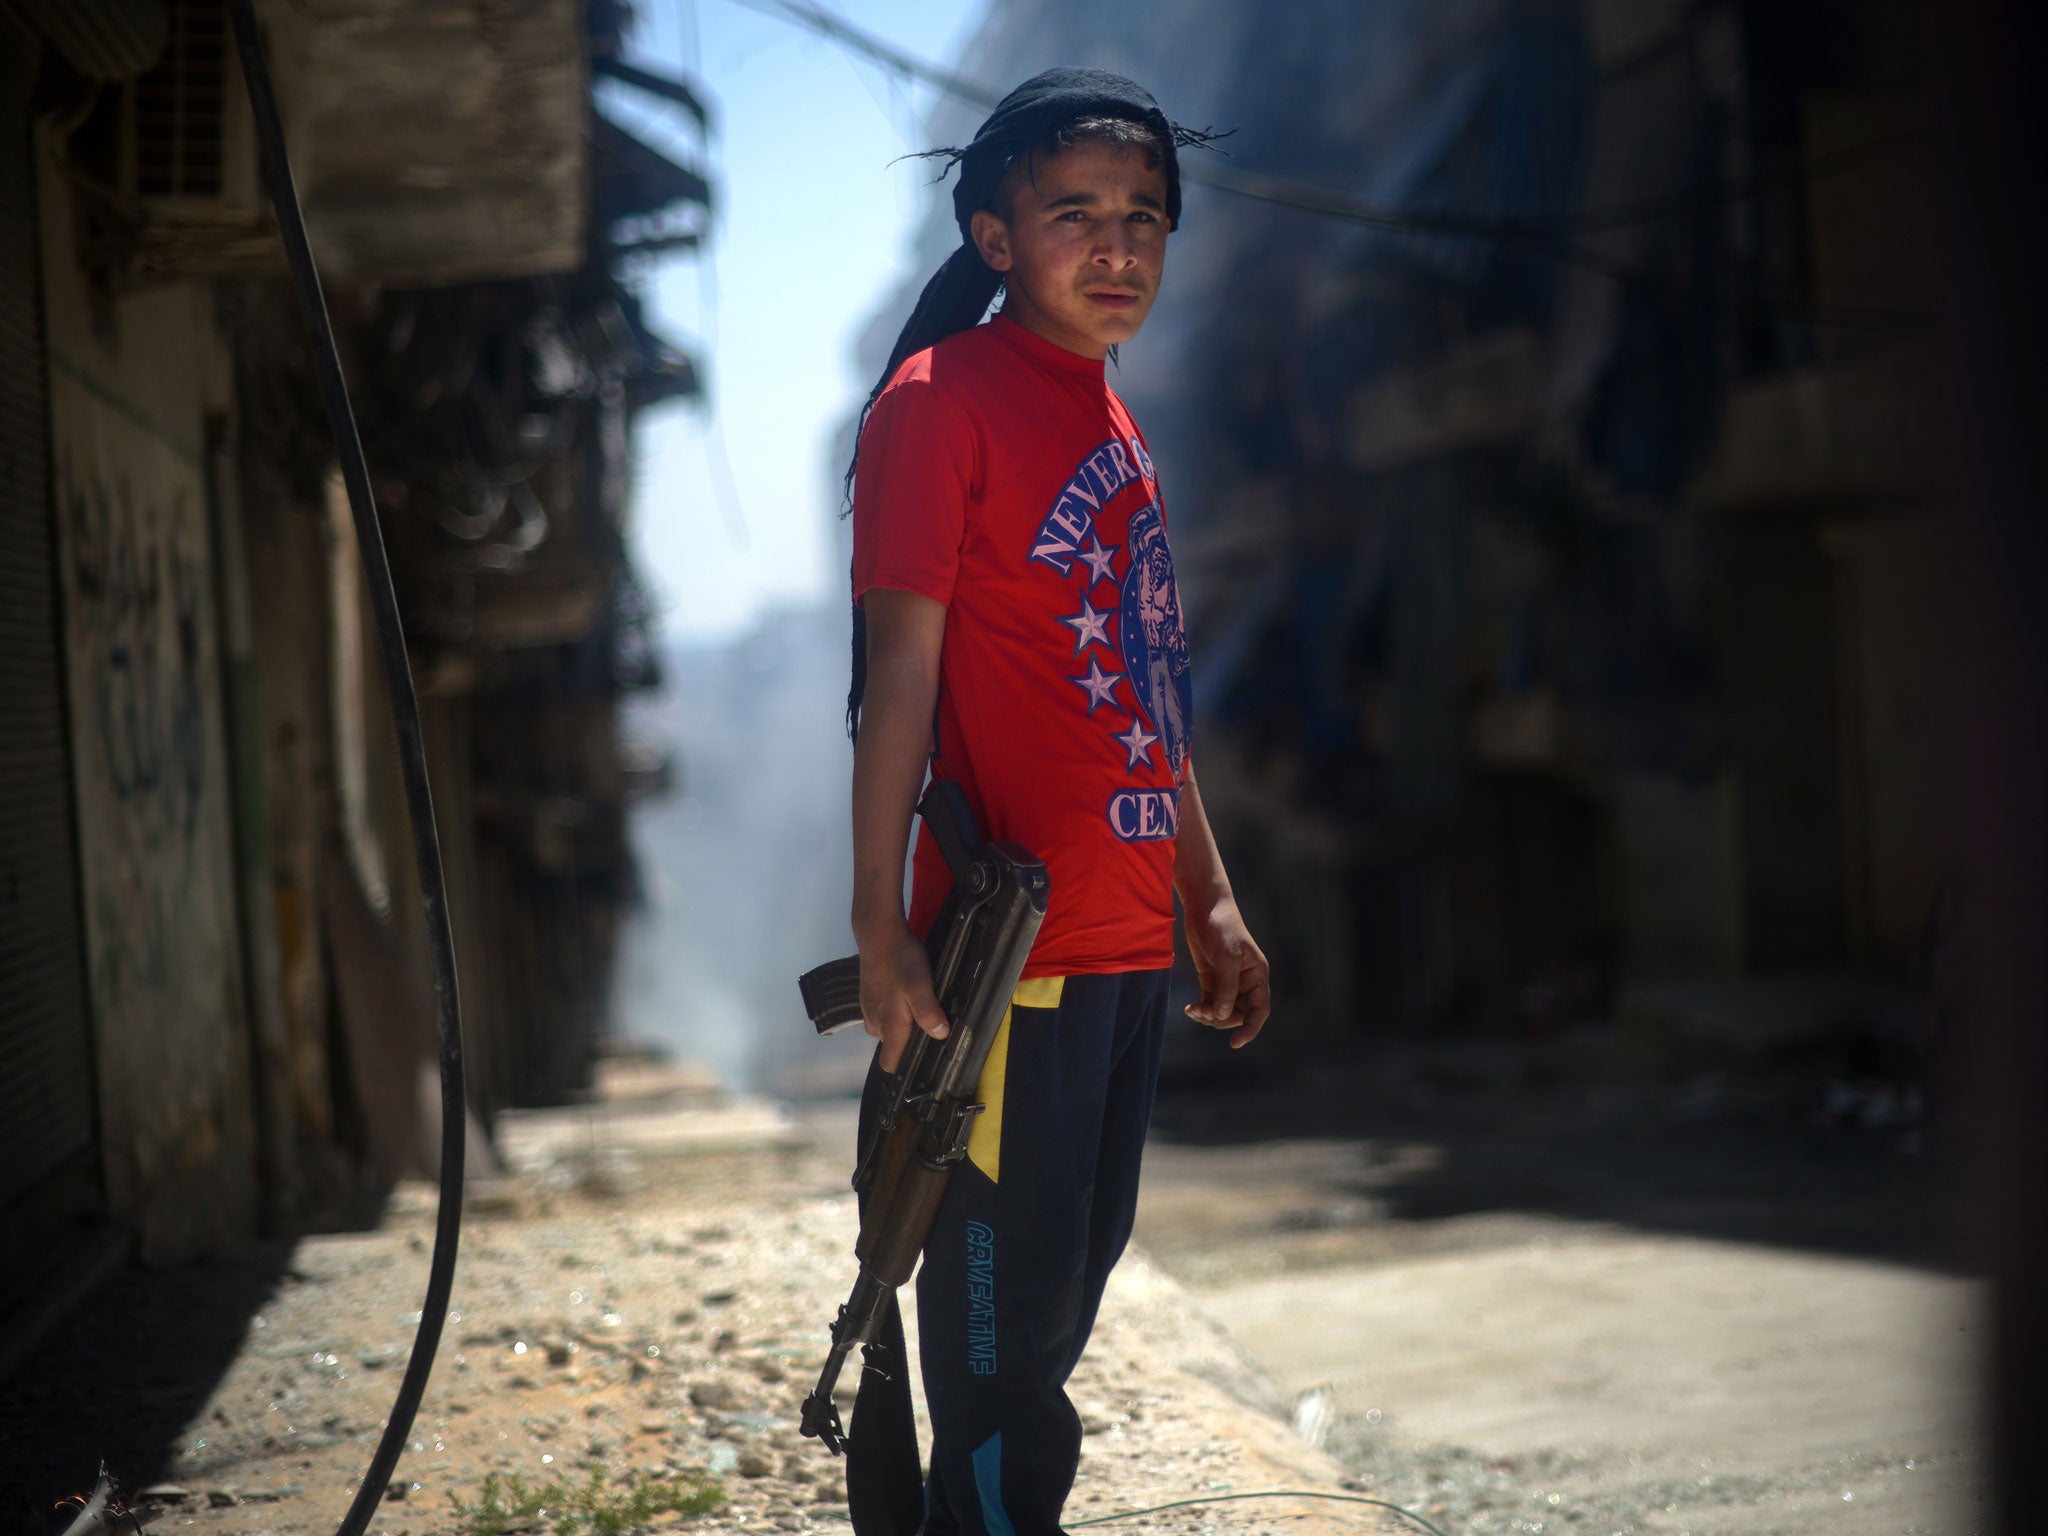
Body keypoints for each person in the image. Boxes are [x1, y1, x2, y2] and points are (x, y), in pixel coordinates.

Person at [844, 67, 1271, 1535]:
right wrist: (877, 926)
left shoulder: (1113, 423)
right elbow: (896, 677)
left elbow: (1148, 692)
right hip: (1002, 972)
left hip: (1123, 947)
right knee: (993, 1355)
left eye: (1144, 216)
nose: (1118, 246)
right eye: (1074, 212)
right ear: (992, 237)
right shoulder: (936, 406)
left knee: (1065, 1304)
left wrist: (1202, 892)